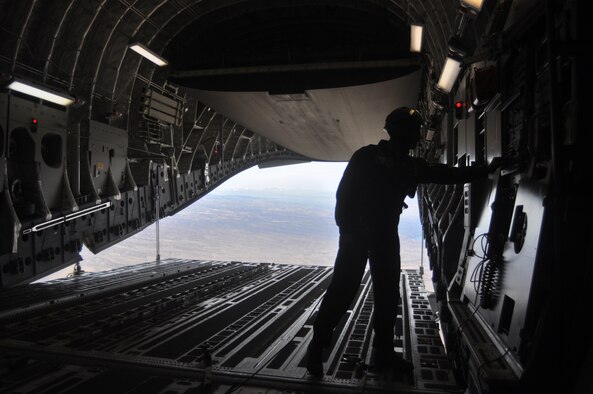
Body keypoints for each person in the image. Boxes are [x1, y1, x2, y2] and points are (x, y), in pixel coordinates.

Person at [306, 107, 504, 377]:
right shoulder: (367, 156)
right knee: (342, 291)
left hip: (384, 235)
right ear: (399, 131)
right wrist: (349, 230)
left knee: (387, 297)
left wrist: (484, 171)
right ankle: (316, 351)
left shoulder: (409, 165)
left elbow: (445, 174)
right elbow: (345, 195)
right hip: (359, 234)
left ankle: (383, 355)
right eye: (413, 130)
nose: (418, 136)